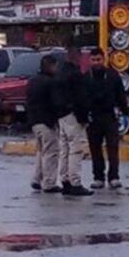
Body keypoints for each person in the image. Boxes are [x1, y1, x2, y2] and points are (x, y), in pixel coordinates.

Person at [84, 48, 129, 189]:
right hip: (93, 118)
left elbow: (121, 96)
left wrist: (125, 112)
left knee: (113, 148)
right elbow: (81, 98)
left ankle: (114, 177)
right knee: (95, 149)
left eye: (99, 59)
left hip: (110, 116)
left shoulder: (112, 76)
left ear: (103, 59)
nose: (96, 62)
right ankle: (98, 177)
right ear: (89, 60)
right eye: (93, 60)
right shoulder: (86, 77)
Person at [53, 53, 94, 197]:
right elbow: (81, 98)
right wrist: (84, 118)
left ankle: (65, 180)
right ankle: (75, 182)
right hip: (73, 115)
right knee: (76, 149)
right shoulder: (76, 75)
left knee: (64, 148)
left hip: (61, 115)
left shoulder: (59, 74)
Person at [26, 54, 61, 193]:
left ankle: (37, 178)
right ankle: (49, 182)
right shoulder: (50, 82)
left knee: (42, 151)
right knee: (51, 153)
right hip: (47, 122)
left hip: (34, 122)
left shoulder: (32, 81)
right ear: (50, 66)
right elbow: (55, 103)